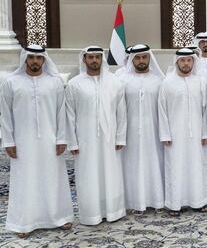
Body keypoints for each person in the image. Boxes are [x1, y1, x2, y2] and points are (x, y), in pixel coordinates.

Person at [1, 45, 72, 237]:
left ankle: (59, 217)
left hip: (51, 140)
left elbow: (61, 113)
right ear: (25, 59)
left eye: (38, 58)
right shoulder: (11, 82)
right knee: (25, 179)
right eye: (31, 57)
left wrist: (62, 138)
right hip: (22, 141)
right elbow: (5, 115)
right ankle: (23, 223)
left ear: (44, 60)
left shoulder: (55, 82)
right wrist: (8, 141)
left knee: (53, 177)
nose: (35, 61)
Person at [66, 46, 127, 225]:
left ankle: (113, 211)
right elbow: (70, 115)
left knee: (111, 174)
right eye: (90, 57)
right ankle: (91, 214)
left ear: (102, 59)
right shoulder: (74, 84)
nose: (94, 60)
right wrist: (73, 142)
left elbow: (121, 112)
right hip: (85, 140)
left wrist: (120, 137)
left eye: (97, 57)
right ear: (84, 59)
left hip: (110, 139)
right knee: (88, 175)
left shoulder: (115, 82)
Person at [159, 49, 207, 215]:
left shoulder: (201, 81)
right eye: (183, 61)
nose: (186, 64)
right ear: (177, 62)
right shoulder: (167, 83)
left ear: (193, 62)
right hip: (174, 135)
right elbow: (162, 110)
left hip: (197, 133)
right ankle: (174, 204)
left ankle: (198, 202)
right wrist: (165, 134)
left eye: (189, 61)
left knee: (197, 166)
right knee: (175, 167)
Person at [116, 44, 165, 213]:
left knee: (154, 163)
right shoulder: (122, 81)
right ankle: (133, 202)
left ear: (149, 58)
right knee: (131, 165)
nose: (141, 60)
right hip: (130, 132)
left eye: (144, 57)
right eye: (137, 57)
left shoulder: (159, 80)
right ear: (132, 59)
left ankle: (156, 199)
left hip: (154, 131)